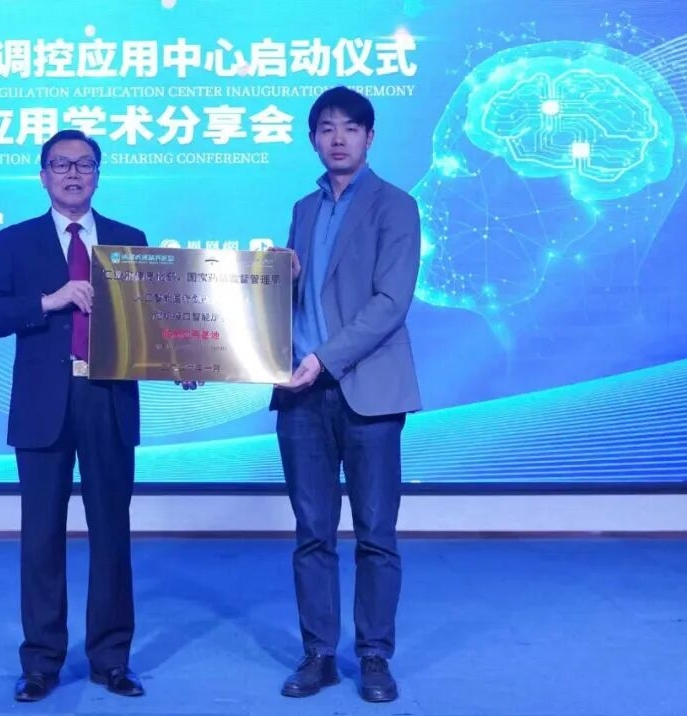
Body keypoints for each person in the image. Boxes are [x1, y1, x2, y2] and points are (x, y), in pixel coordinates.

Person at [0, 129, 192, 703]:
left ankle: (111, 659)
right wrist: (51, 300)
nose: (73, 174)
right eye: (61, 164)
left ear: (98, 175)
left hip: (107, 398)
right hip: (42, 403)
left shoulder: (129, 241)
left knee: (111, 532)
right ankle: (41, 662)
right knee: (41, 535)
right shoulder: (15, 241)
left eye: (84, 164)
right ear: (42, 175)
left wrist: (181, 360)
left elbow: (154, 322)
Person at [270, 86, 423, 703]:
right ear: (313, 139)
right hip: (301, 394)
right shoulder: (304, 209)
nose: (338, 138)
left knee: (376, 532)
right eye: (327, 128)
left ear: (370, 137)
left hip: (369, 390)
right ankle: (318, 654)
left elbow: (391, 303)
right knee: (311, 531)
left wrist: (323, 360)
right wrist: (276, 281)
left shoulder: (396, 205)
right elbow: (299, 301)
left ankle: (375, 656)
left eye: (351, 128)